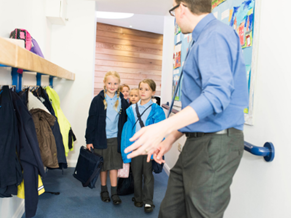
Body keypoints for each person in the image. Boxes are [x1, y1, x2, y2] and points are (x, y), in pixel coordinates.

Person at [124, 0, 249, 217]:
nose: (175, 15)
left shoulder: (215, 35)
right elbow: (198, 107)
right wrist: (169, 139)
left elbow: (217, 95)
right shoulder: (201, 39)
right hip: (196, 142)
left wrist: (162, 128)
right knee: (170, 211)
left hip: (215, 144)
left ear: (182, 7)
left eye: (173, 10)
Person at [121, 79, 166, 213]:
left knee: (147, 174)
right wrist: (126, 148)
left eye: (147, 89)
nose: (143, 92)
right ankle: (138, 198)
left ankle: (148, 201)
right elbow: (127, 130)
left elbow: (161, 129)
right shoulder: (131, 109)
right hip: (135, 147)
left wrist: (158, 148)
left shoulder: (157, 110)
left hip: (149, 147)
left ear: (153, 92)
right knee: (136, 174)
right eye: (141, 89)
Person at [85, 71, 129, 205]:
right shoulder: (97, 100)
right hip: (100, 138)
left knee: (114, 167)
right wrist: (89, 140)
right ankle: (104, 190)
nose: (112, 86)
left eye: (115, 83)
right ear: (104, 83)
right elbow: (91, 121)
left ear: (118, 85)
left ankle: (114, 192)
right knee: (103, 167)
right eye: (109, 83)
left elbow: (127, 120)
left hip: (116, 139)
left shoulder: (122, 101)